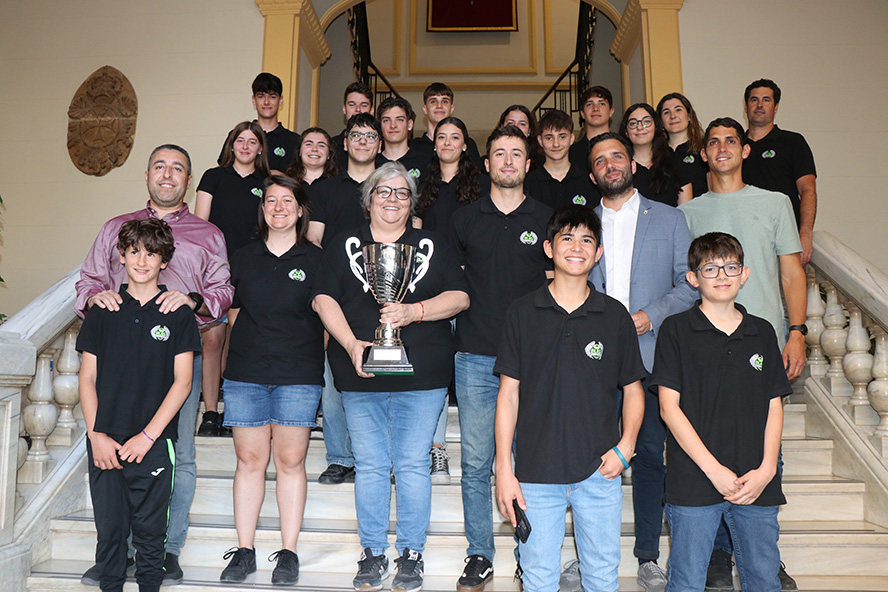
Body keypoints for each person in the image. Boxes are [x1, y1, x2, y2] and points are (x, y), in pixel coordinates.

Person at [74, 144, 233, 585]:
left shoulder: (208, 234)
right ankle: (117, 551)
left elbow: (224, 289)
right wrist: (95, 295)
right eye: (160, 167)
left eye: (177, 168)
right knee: (114, 454)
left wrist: (193, 300)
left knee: (176, 455)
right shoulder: (114, 228)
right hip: (120, 360)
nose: (168, 175)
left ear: (188, 179)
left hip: (176, 357)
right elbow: (88, 278)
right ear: (147, 176)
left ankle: (166, 549)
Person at [313, 162, 470, 592]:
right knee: (371, 465)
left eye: (402, 193)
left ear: (412, 202)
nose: (392, 200)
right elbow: (323, 297)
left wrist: (413, 311)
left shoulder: (432, 244)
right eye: (383, 191)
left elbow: (459, 297)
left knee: (413, 465)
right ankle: (372, 552)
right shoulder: (345, 243)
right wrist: (349, 344)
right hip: (359, 367)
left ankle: (412, 554)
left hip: (423, 373)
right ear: (368, 199)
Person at [678, 117, 806, 591]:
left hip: (763, 341)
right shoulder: (689, 212)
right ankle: (717, 553)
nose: (723, 148)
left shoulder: (775, 203)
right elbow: (680, 281)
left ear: (745, 149)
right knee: (712, 436)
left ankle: (764, 556)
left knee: (766, 446)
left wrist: (796, 330)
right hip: (707, 349)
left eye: (731, 140)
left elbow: (792, 273)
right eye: (713, 142)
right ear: (704, 154)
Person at [495, 205, 646, 592]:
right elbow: (508, 395)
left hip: (598, 471)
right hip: (534, 474)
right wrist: (505, 470)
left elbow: (633, 389)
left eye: (586, 240)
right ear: (548, 248)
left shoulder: (614, 316)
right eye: (566, 238)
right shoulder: (521, 313)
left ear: (598, 253)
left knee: (600, 578)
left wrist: (625, 447)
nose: (576, 247)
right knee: (539, 578)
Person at [585, 132, 696, 592]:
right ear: (592, 174)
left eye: (617, 156)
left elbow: (689, 285)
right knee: (588, 458)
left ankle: (648, 555)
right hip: (590, 361)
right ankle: (589, 555)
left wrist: (649, 318)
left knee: (649, 455)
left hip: (650, 355)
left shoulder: (670, 219)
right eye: (600, 160)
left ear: (632, 164)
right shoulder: (580, 223)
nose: (610, 165)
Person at [652, 232, 791, 591]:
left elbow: (774, 404)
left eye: (730, 266)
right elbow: (669, 409)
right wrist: (714, 471)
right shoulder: (676, 330)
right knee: (686, 580)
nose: (722, 275)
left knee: (763, 578)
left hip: (756, 480)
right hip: (695, 479)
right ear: (693, 278)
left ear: (744, 274)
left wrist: (767, 469)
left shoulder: (761, 332)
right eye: (710, 268)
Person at [450, 126, 553, 592]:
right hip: (475, 356)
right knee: (477, 461)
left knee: (527, 460)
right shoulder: (463, 219)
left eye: (517, 154)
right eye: (499, 154)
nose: (508, 161)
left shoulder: (549, 218)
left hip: (535, 360)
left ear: (528, 164)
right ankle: (479, 554)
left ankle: (526, 552)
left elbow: (561, 289)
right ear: (487, 164)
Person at [78, 218, 201, 592]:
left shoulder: (178, 314)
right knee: (111, 536)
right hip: (105, 443)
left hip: (152, 444)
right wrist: (96, 435)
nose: (142, 261)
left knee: (150, 540)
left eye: (152, 254)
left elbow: (183, 382)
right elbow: (86, 378)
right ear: (121, 256)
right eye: (134, 252)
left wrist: (148, 437)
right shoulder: (102, 310)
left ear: (165, 260)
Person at [217, 175, 325, 585]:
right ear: (262, 209)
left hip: (298, 372)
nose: (278, 207)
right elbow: (233, 314)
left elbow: (327, 319)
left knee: (291, 461)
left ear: (300, 209)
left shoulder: (317, 259)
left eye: (287, 201)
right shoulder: (242, 257)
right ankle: (244, 551)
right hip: (246, 373)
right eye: (270, 201)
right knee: (249, 461)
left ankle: (289, 552)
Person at [414, 116, 484, 485]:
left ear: (464, 144)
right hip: (430, 286)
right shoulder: (422, 184)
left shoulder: (479, 184)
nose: (447, 142)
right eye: (441, 137)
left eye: (455, 136)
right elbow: (416, 235)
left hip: (469, 286)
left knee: (468, 368)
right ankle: (437, 450)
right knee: (438, 368)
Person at [195, 120, 271, 437]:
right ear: (231, 144)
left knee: (238, 343)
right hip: (213, 268)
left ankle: (232, 412)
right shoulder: (214, 177)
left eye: (252, 141)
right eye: (240, 140)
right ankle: (210, 413)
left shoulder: (266, 182)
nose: (245, 146)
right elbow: (199, 225)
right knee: (213, 340)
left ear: (260, 149)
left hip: (251, 268)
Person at [742, 78, 817, 265]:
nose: (759, 105)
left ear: (775, 107)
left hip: (784, 240)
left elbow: (807, 190)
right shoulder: (734, 146)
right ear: (746, 106)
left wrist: (805, 235)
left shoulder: (793, 142)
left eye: (766, 100)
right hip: (744, 240)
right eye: (754, 100)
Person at [217, 72, 300, 174]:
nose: (266, 102)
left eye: (272, 96)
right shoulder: (237, 135)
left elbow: (296, 179)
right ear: (253, 100)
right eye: (261, 96)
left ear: (281, 100)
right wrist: (270, 173)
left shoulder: (294, 140)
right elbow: (224, 172)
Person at [523, 109, 600, 211]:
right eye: (549, 138)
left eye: (562, 137)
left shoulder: (588, 181)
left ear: (572, 139)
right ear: (540, 141)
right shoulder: (528, 183)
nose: (556, 144)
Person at [619, 103, 692, 207]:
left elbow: (686, 213)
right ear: (626, 131)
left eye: (646, 122)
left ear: (656, 127)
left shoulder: (675, 163)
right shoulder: (620, 168)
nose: (640, 127)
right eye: (633, 123)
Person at [412, 82, 484, 169]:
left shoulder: (468, 144)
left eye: (445, 101)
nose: (439, 106)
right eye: (433, 101)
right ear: (425, 109)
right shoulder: (414, 147)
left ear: (451, 108)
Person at [657, 92, 708, 197]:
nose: (673, 116)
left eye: (678, 110)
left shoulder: (704, 150)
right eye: (666, 112)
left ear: (689, 116)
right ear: (661, 121)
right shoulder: (655, 154)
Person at [376, 96, 432, 182]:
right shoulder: (372, 163)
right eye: (386, 120)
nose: (393, 125)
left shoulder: (426, 162)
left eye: (400, 120)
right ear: (380, 126)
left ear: (409, 125)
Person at [569, 85, 615, 172]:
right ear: (582, 114)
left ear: (611, 112)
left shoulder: (623, 148)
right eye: (590, 104)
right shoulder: (571, 154)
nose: (595, 108)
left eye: (602, 103)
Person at [331, 82, 375, 169]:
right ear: (344, 109)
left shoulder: (379, 147)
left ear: (372, 110)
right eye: (352, 104)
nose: (358, 109)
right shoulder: (332, 146)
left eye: (364, 105)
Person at [496, 104, 543, 170]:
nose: (516, 127)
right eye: (510, 123)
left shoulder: (542, 162)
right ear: (502, 127)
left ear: (529, 130)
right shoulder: (489, 159)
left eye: (522, 124)